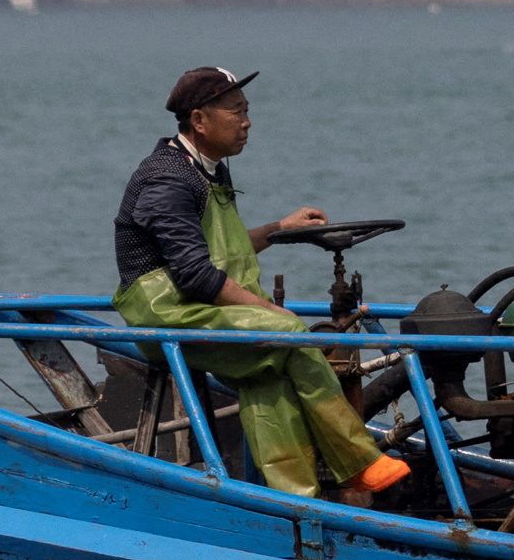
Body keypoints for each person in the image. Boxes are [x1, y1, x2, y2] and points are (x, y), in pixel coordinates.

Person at [112, 66, 410, 502]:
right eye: (236, 112)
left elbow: (220, 251)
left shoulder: (209, 170)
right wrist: (270, 311)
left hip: (198, 307)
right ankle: (359, 460)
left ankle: (296, 498)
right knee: (288, 335)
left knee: (268, 371)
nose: (247, 122)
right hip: (165, 313)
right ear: (199, 120)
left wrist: (279, 228)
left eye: (247, 111)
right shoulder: (168, 179)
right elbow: (195, 274)